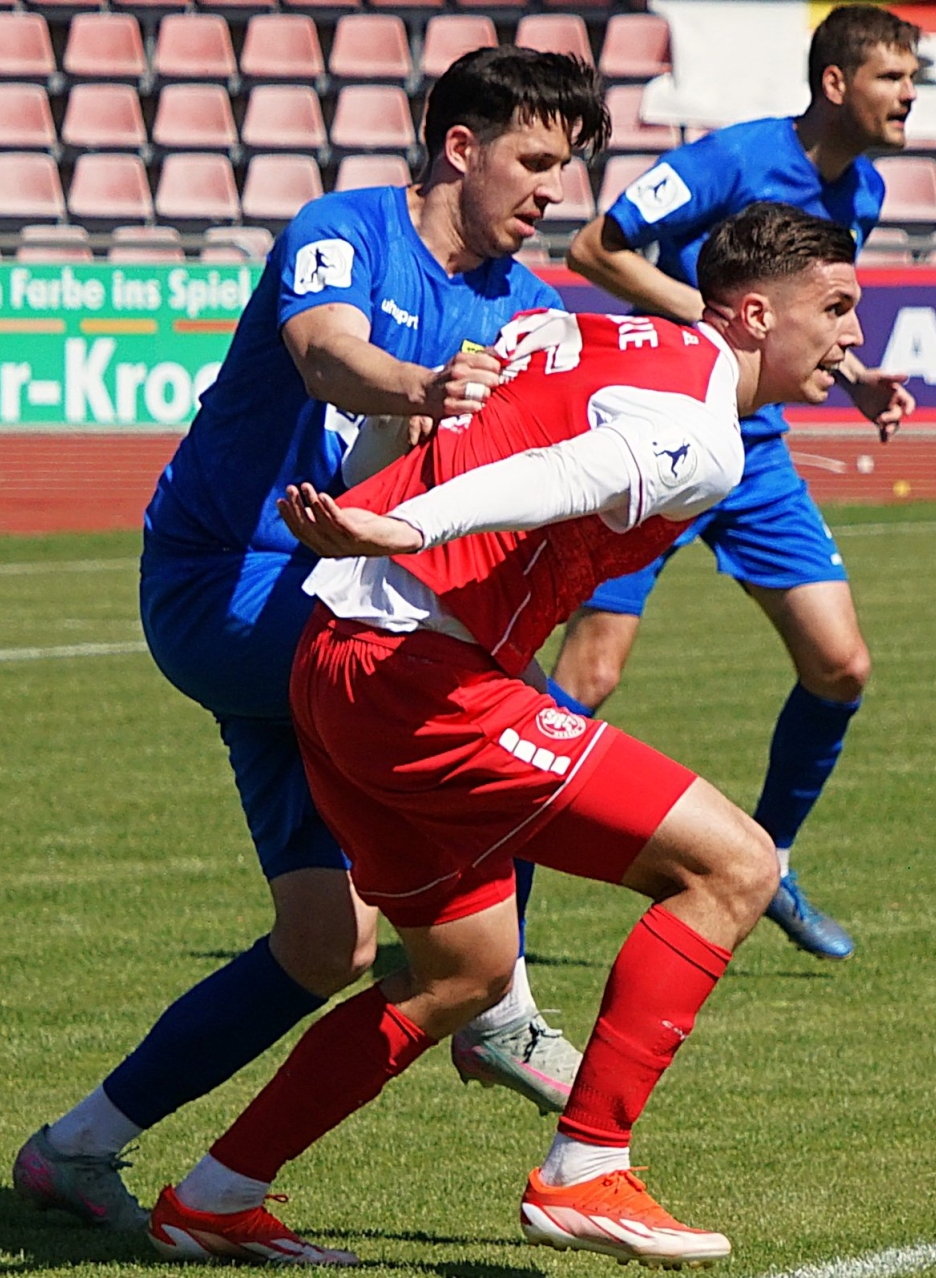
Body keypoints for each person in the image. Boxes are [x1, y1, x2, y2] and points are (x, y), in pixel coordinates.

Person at [143, 203, 865, 1268]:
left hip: (337, 651)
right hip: (415, 670)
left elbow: (452, 412)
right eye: (836, 309)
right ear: (755, 313)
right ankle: (589, 1169)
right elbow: (564, 477)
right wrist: (407, 525)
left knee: (463, 975)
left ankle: (213, 1196)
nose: (852, 335)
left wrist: (376, 503)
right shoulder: (704, 431)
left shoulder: (591, 332)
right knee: (736, 867)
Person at [12, 48, 609, 1232]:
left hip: (347, 603)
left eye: (568, 168)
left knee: (324, 943)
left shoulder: (532, 307)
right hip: (233, 582)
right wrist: (417, 386)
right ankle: (500, 1004)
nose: (554, 192)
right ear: (459, 147)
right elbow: (324, 351)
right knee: (503, 702)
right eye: (535, 162)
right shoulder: (344, 229)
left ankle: (78, 1146)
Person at [557, 5, 923, 961]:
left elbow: (809, 314)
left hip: (755, 451)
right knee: (586, 677)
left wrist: (855, 375)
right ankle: (488, 928)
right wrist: (708, 320)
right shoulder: (729, 159)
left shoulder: (866, 191)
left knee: (840, 665)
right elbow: (595, 246)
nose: (910, 96)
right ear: (837, 83)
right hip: (663, 433)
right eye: (893, 78)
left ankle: (771, 859)